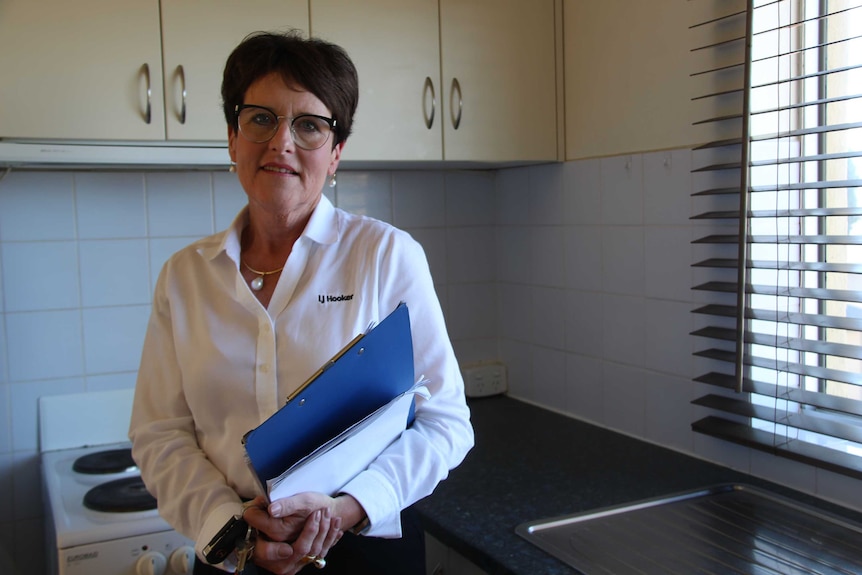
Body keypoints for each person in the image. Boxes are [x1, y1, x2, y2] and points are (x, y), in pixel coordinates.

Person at [129, 30, 474, 575]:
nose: (281, 143)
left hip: (363, 548)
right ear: (232, 138)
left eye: (309, 125)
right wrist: (230, 525)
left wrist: (348, 508)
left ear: (336, 153)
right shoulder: (185, 277)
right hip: (231, 551)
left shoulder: (387, 256)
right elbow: (159, 433)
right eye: (260, 118)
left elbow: (445, 420)